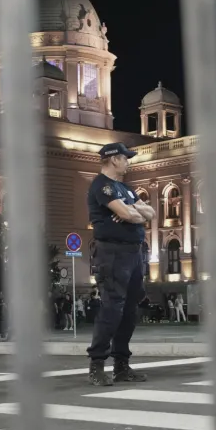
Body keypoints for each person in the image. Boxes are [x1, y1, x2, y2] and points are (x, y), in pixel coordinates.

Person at [85, 142, 151, 386]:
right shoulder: (101, 185)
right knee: (112, 309)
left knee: (129, 311)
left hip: (134, 253)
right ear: (114, 159)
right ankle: (97, 365)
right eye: (125, 158)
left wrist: (133, 209)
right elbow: (125, 214)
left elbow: (151, 213)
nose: (128, 162)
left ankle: (121, 366)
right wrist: (133, 211)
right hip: (112, 253)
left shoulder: (125, 188)